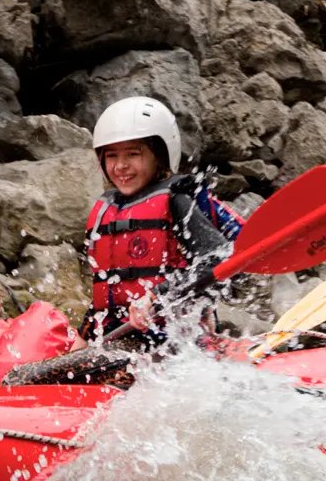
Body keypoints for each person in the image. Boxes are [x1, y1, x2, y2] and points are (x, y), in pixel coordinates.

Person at [72, 96, 243, 351]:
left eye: (133, 153)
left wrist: (156, 296)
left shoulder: (177, 203)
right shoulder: (105, 212)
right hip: (120, 341)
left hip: (177, 343)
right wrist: (79, 344)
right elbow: (104, 300)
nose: (121, 166)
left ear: (159, 157)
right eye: (111, 156)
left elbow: (220, 260)